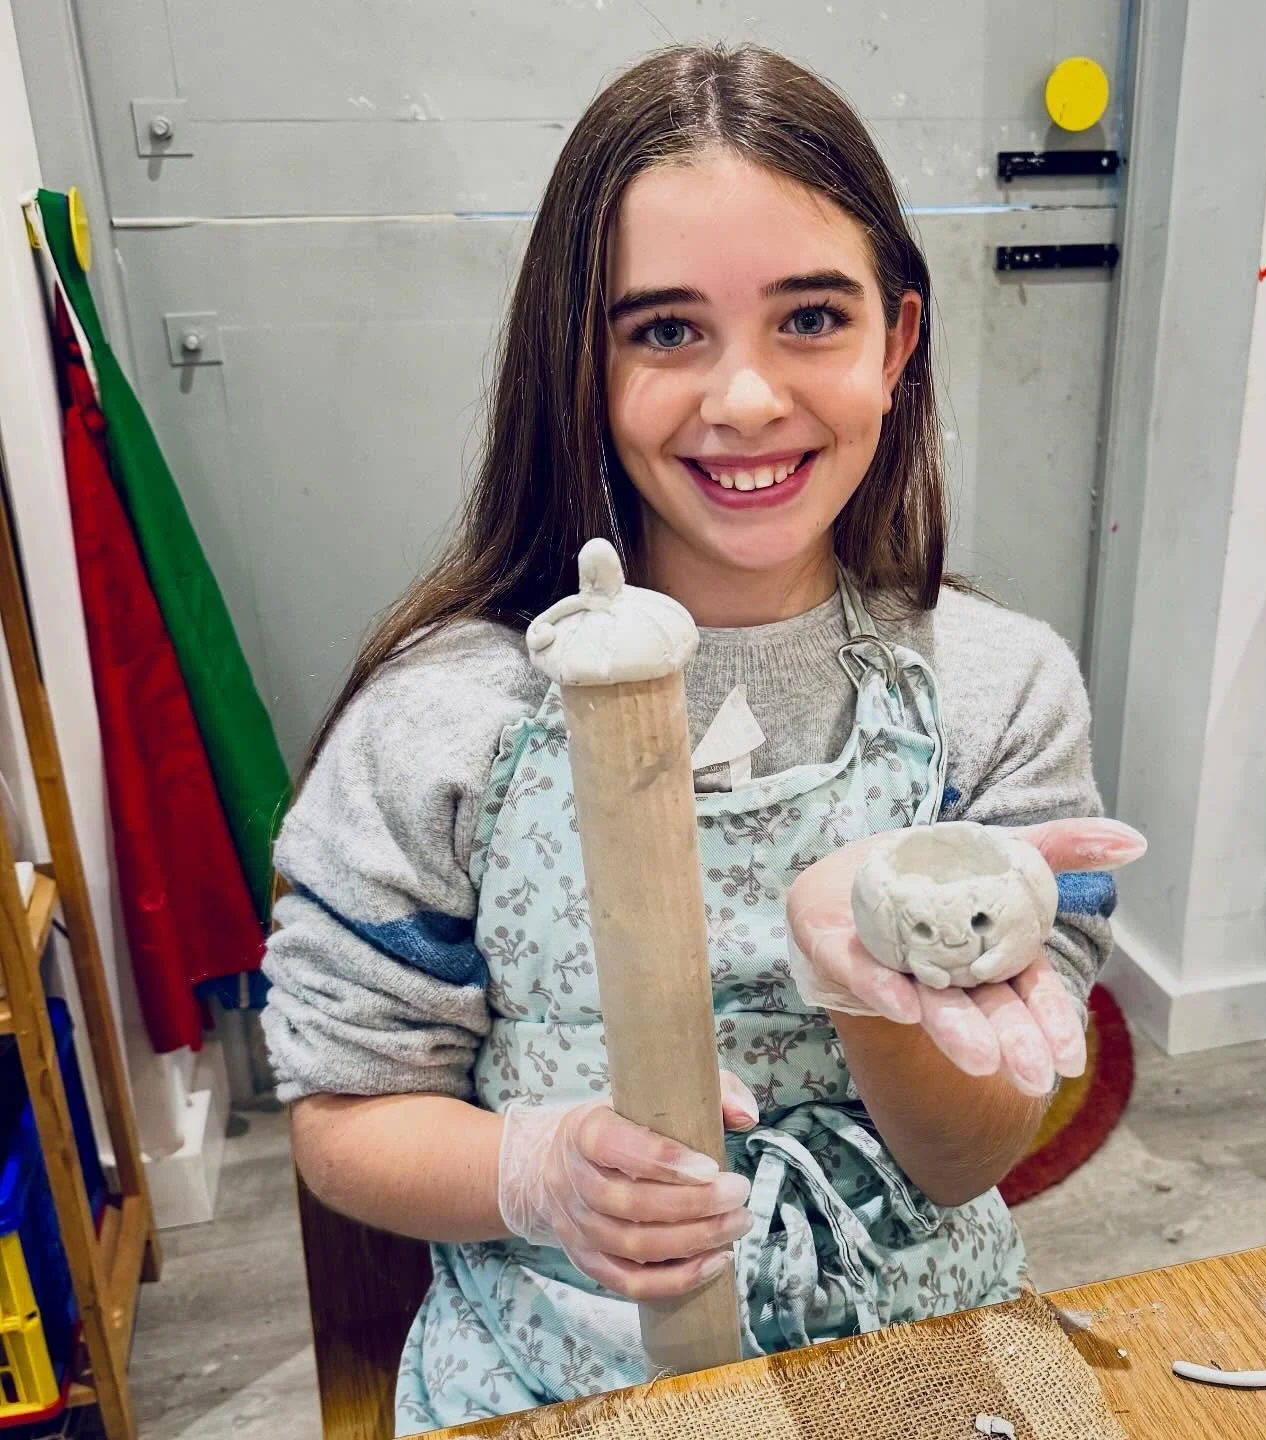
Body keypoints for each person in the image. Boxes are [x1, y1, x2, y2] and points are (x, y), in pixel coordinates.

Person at [261, 43, 1145, 1434]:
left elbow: (965, 1159)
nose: (744, 399)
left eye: (812, 318)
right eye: (667, 331)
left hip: (919, 1363)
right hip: (560, 1377)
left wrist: (874, 980)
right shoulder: (443, 723)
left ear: (896, 342)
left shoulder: (995, 692)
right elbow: (346, 1113)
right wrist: (534, 1172)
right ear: (583, 359)